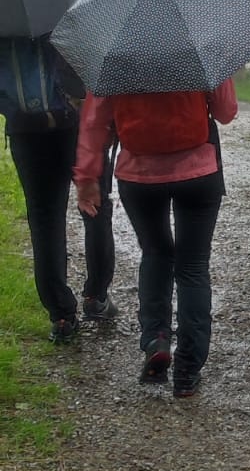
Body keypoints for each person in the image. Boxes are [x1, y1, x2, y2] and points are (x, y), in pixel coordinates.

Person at [74, 78, 238, 397]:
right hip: (199, 172)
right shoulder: (199, 51)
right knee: (193, 266)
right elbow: (226, 111)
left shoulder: (115, 57)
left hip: (139, 176)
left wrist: (87, 177)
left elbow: (94, 122)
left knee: (155, 253)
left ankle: (156, 339)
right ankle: (187, 370)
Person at [2, 38, 116, 342]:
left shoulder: (6, 21)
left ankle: (62, 315)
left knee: (44, 220)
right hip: (76, 123)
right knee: (95, 206)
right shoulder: (67, 15)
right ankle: (96, 297)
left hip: (27, 130)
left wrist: (13, 109)